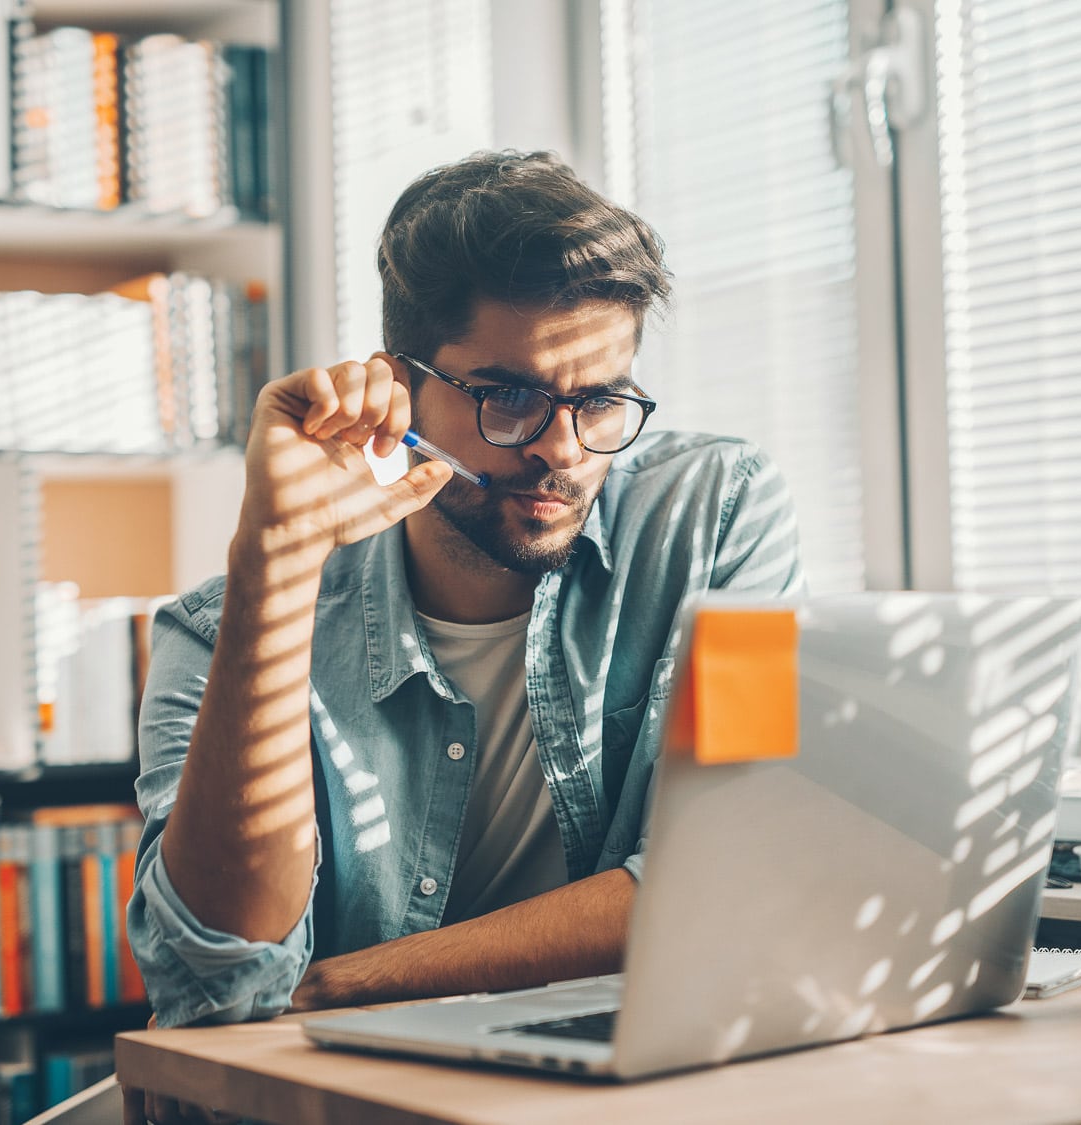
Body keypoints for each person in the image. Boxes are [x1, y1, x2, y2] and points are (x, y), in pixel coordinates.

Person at [121, 150, 803, 1123]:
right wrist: (276, 556)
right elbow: (219, 980)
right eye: (508, 397)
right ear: (400, 388)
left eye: (601, 399)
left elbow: (721, 881)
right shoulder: (212, 634)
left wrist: (336, 986)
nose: (561, 453)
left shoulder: (719, 516)